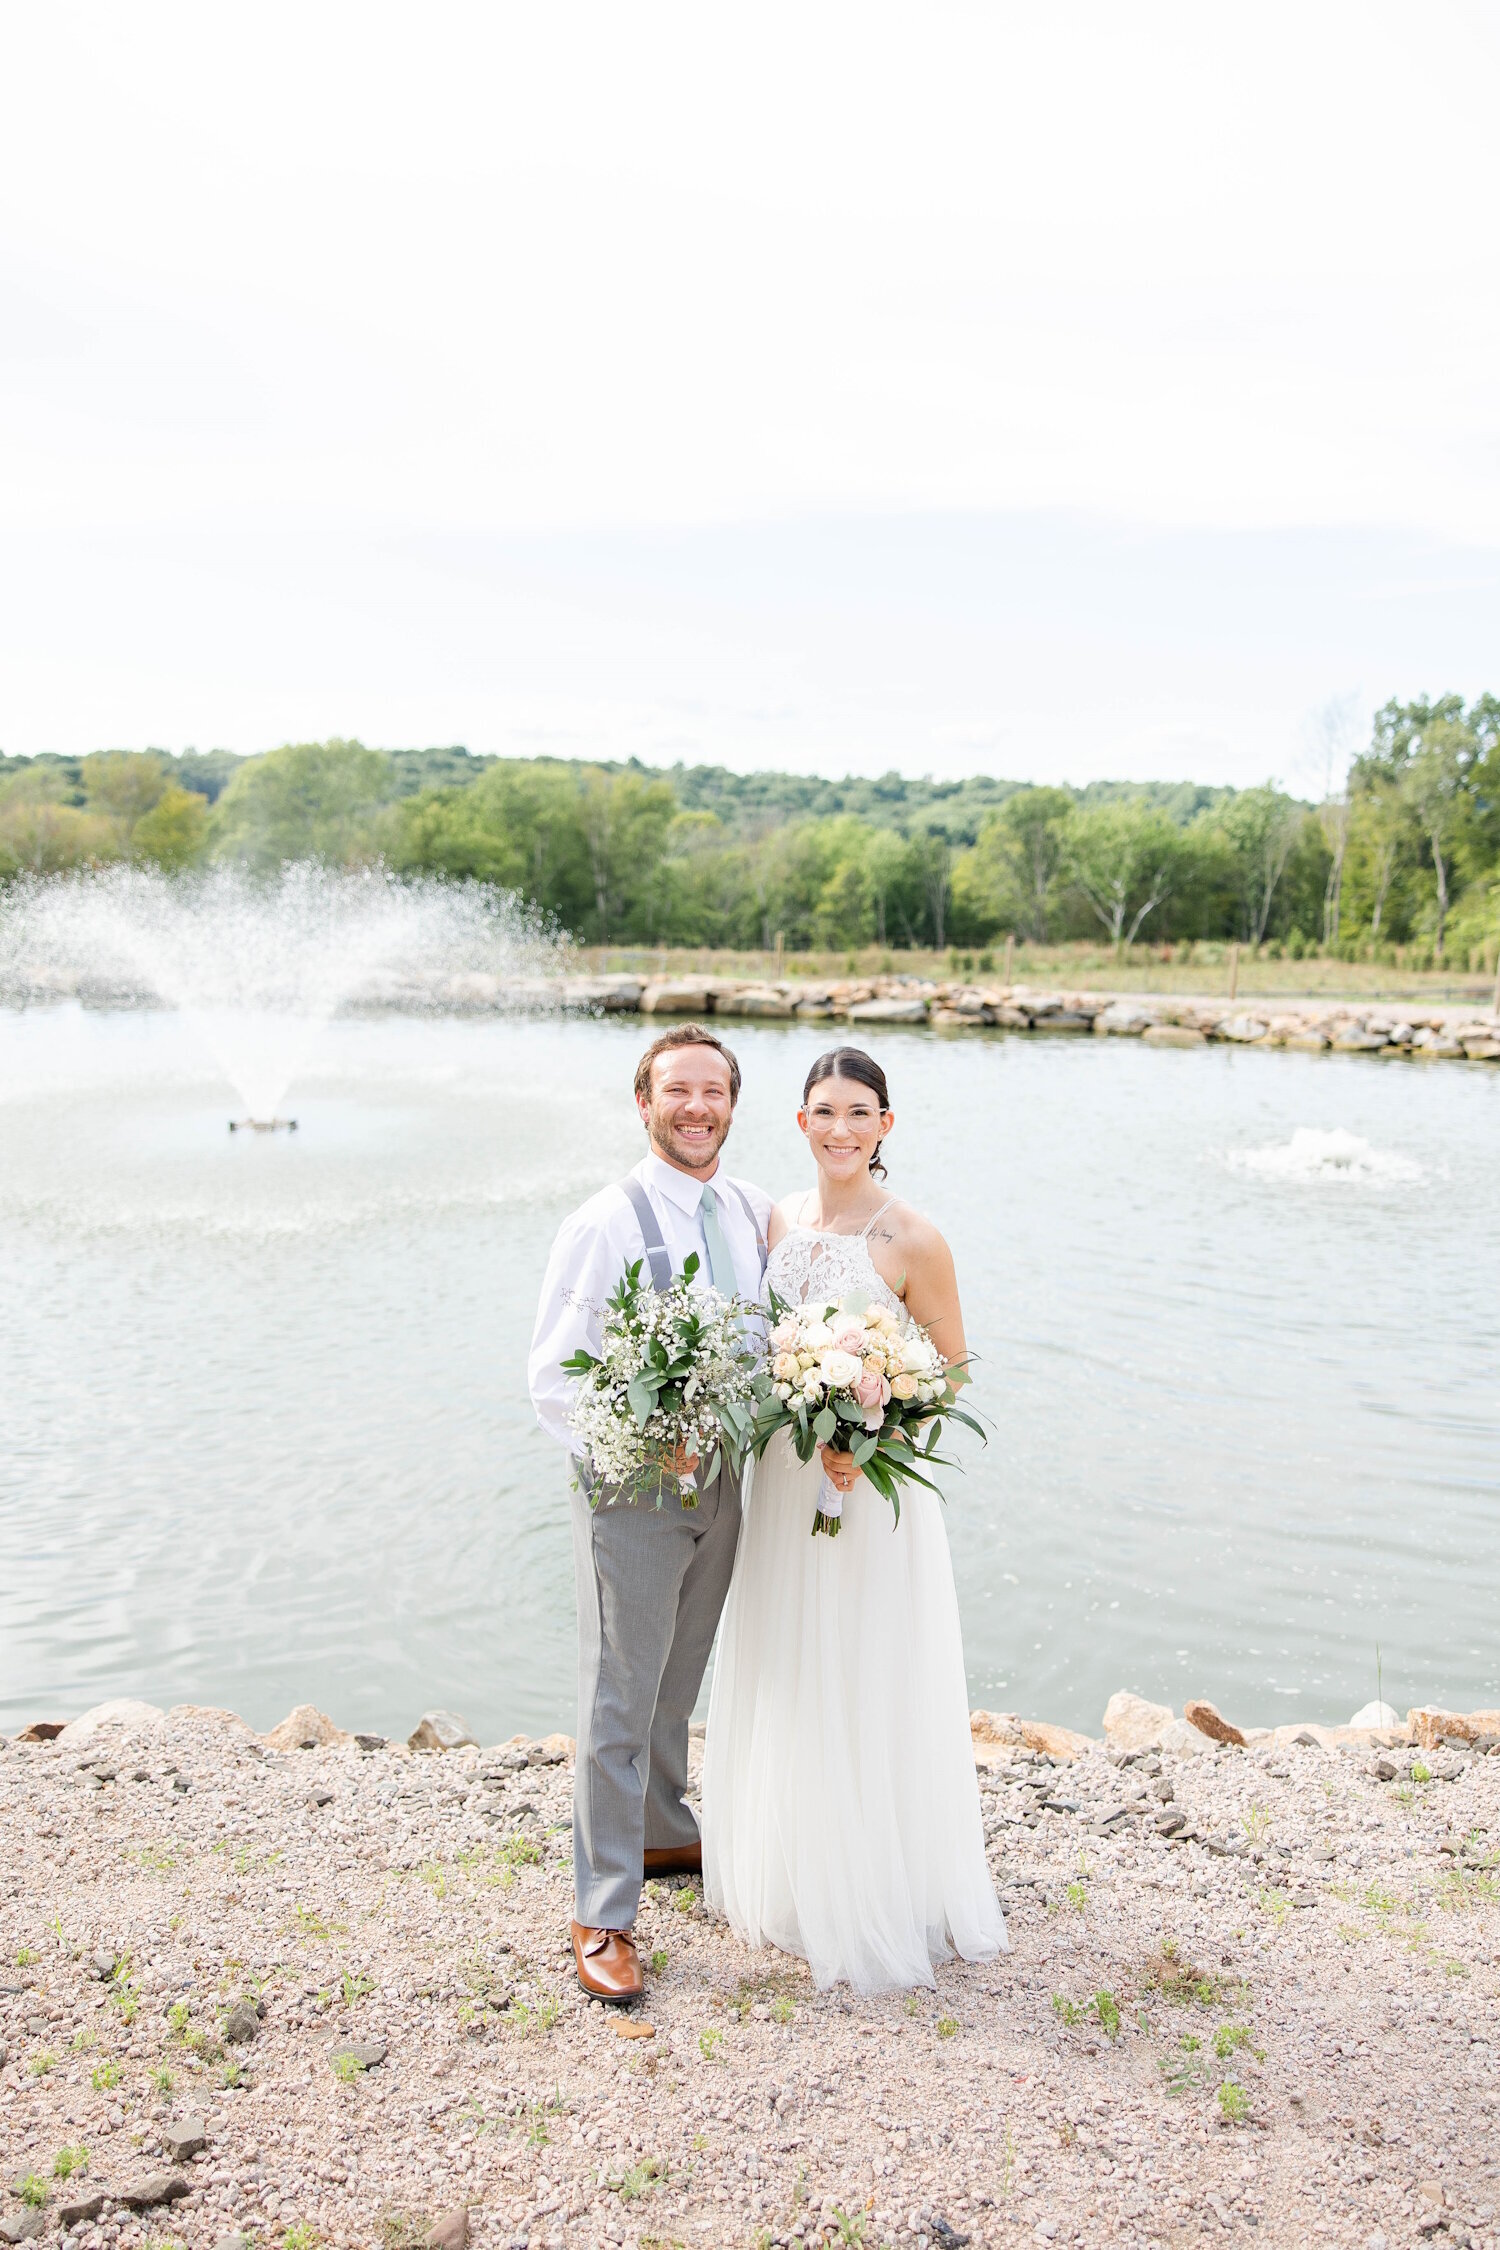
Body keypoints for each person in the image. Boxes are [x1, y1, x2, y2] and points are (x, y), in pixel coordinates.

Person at [701, 1045, 1007, 1993]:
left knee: (868, 1661)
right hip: (789, 1476)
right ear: (799, 1122)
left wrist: (877, 1434)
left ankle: (879, 1883)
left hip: (870, 1488)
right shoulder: (775, 1219)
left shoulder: (914, 1239)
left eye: (859, 1113)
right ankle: (791, 1871)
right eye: (824, 1111)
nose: (841, 1128)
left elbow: (951, 1368)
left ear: (885, 1126)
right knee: (791, 1658)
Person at [528, 1025, 770, 2003]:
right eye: (678, 1090)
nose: (697, 1106)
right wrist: (639, 1444)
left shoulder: (752, 1212)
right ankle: (603, 1910)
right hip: (633, 1492)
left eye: (713, 1090)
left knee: (679, 1676)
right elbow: (551, 1380)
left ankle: (666, 1829)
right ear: (644, 1103)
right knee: (616, 1697)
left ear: (732, 1104)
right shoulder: (606, 1222)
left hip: (725, 1481)